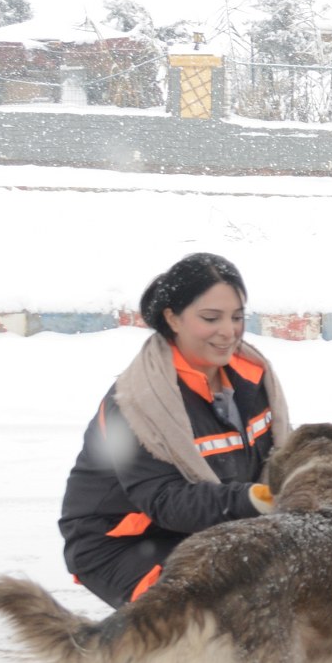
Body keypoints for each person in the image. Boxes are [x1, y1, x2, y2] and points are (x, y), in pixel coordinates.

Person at [56, 252, 288, 612]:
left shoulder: (251, 377)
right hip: (124, 541)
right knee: (198, 618)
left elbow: (275, 451)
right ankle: (144, 662)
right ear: (172, 318)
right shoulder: (136, 403)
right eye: (211, 318)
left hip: (209, 531)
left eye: (237, 317)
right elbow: (165, 500)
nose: (228, 331)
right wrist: (251, 500)